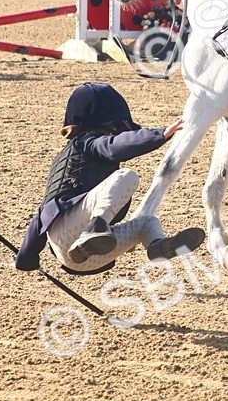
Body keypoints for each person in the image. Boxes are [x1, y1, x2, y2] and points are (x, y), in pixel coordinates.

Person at [14, 83, 203, 274]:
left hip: (80, 258)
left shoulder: (62, 162)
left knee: (147, 221)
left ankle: (158, 245)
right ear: (106, 124)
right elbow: (113, 146)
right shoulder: (86, 143)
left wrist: (27, 259)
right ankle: (95, 228)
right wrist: (158, 135)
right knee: (126, 176)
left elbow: (40, 217)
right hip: (70, 232)